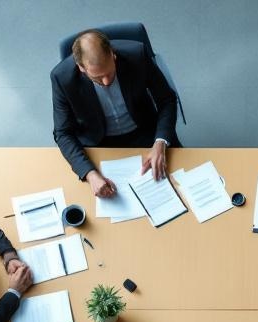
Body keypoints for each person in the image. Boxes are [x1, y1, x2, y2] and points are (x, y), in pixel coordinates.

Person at [51, 29, 179, 198]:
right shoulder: (62, 78)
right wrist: (89, 174)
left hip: (146, 133)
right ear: (81, 67)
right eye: (97, 77)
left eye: (109, 73)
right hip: (99, 143)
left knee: (177, 187)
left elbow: (167, 100)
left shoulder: (138, 55)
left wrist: (160, 141)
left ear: (113, 55)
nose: (106, 82)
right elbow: (63, 133)